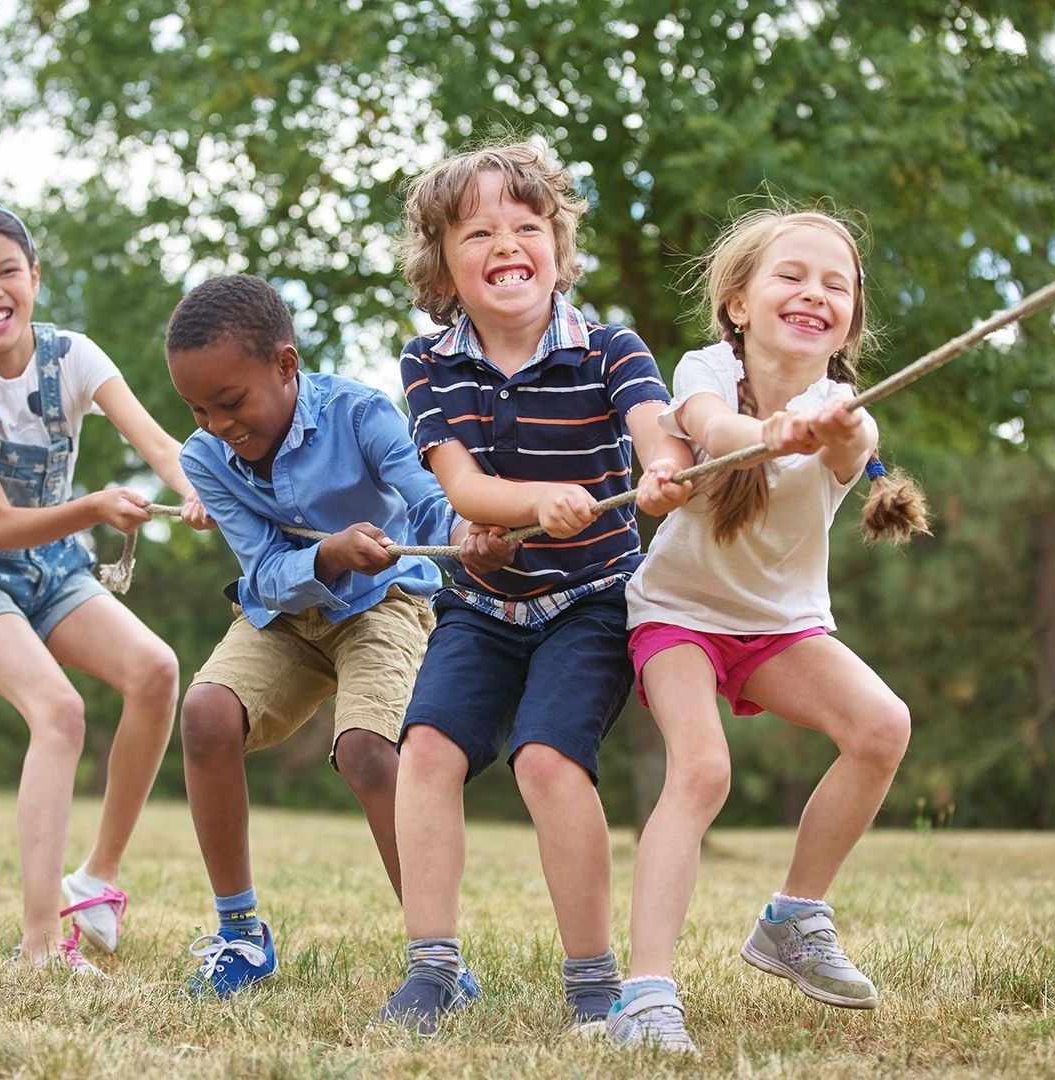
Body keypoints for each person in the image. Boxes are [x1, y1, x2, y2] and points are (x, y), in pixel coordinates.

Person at [380, 139, 694, 1036]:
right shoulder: (428, 361)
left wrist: (667, 467)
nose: (505, 244)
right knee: (428, 754)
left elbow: (654, 426)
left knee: (548, 761)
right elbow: (465, 487)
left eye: (526, 225)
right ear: (441, 263)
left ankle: (593, 985)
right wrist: (536, 501)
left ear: (557, 246)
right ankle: (432, 969)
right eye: (477, 231)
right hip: (481, 607)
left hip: (590, 600)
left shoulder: (608, 346)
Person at [614, 208, 927, 1053]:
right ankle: (643, 996)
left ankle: (793, 918)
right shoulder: (706, 367)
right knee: (703, 770)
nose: (814, 294)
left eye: (837, 285)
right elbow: (713, 429)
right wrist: (766, 434)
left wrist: (830, 430)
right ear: (740, 302)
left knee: (881, 725)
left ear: (851, 320)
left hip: (780, 629)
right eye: (792, 275)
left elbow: (854, 441)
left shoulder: (843, 406)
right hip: (678, 615)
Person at [164, 274, 504, 998]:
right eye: (198, 408)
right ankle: (240, 934)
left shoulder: (362, 413)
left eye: (231, 402)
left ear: (286, 366)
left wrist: (468, 535)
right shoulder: (204, 459)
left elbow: (428, 497)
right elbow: (261, 571)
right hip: (286, 614)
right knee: (205, 714)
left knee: (368, 752)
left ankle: (436, 961)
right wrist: (326, 554)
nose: (218, 423)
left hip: (385, 604)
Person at [0, 199, 209, 973]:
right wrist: (98, 504)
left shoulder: (73, 356)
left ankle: (96, 881)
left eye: (7, 270)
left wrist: (197, 489)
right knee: (60, 711)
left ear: (34, 278)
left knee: (156, 670)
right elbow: (1, 523)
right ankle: (40, 942)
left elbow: (159, 442)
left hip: (53, 566)